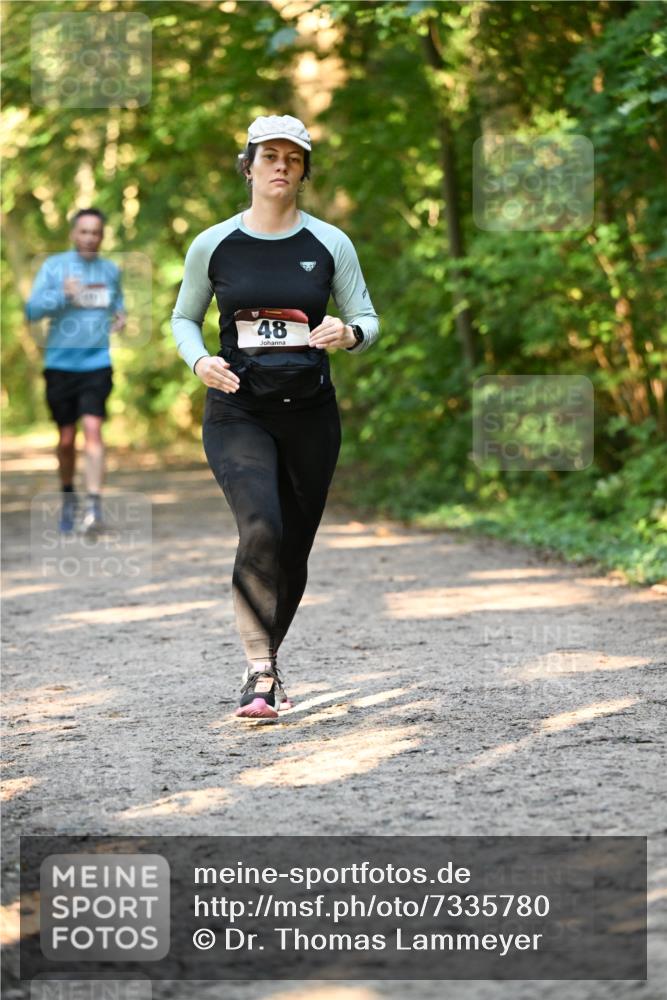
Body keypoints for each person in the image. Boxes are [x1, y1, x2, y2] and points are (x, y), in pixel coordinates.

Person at [171, 114, 379, 720]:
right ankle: (260, 672)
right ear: (248, 166)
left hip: (311, 415)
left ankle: (266, 661)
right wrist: (199, 360)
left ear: (304, 171)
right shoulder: (213, 244)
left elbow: (367, 318)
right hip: (237, 408)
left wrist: (349, 333)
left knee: (293, 549)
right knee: (261, 524)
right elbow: (183, 318)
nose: (280, 166)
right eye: (269, 156)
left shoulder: (330, 243)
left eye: (293, 158)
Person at [25, 208, 126, 533]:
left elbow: (117, 303)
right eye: (84, 231)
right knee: (67, 439)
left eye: (95, 232)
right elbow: (31, 310)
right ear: (73, 234)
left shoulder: (110, 270)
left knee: (93, 430)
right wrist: (62, 295)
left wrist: (120, 316)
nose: (89, 238)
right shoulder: (54, 267)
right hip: (60, 365)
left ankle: (94, 508)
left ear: (102, 236)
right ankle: (69, 495)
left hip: (97, 364)